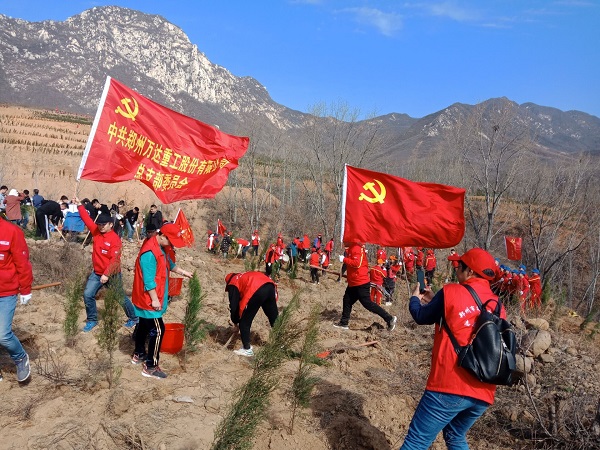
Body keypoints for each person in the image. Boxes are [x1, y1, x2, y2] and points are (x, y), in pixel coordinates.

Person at [400, 248, 503, 449]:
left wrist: (414, 299)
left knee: (416, 442)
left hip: (450, 385)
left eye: (459, 266)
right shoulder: (497, 303)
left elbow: (420, 316)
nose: (456, 269)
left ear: (470, 271)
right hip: (484, 391)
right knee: (455, 436)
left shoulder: (451, 291)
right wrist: (435, 301)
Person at [131, 223, 193, 378]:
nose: (172, 245)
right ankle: (150, 366)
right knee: (158, 330)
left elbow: (169, 264)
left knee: (143, 325)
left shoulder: (161, 248)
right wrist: (154, 300)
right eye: (171, 241)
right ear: (163, 236)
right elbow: (148, 280)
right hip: (149, 299)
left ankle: (139, 353)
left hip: (150, 297)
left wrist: (184, 272)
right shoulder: (149, 253)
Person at [75, 198, 138, 332]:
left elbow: (114, 260)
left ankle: (133, 318)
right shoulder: (96, 232)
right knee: (87, 294)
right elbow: (86, 219)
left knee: (119, 296)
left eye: (104, 224)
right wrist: (79, 205)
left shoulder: (115, 239)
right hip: (97, 273)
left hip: (112, 274)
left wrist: (107, 274)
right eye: (99, 224)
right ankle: (92, 320)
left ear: (110, 224)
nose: (101, 226)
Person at [333, 241, 397, 331]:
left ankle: (389, 319)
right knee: (347, 300)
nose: (343, 242)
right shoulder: (351, 248)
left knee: (368, 304)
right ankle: (344, 323)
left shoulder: (356, 248)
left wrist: (344, 259)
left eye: (344, 239)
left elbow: (357, 263)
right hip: (354, 282)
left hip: (360, 283)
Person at [0, 217, 33, 382]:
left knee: (3, 334)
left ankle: (20, 357)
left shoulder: (12, 231)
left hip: (6, 292)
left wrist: (25, 289)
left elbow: (22, 262)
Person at [225, 271, 279, 357]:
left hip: (256, 288)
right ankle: (281, 343)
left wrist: (235, 321)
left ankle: (247, 349)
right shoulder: (242, 276)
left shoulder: (233, 282)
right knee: (274, 318)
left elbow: (234, 306)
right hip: (270, 286)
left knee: (244, 321)